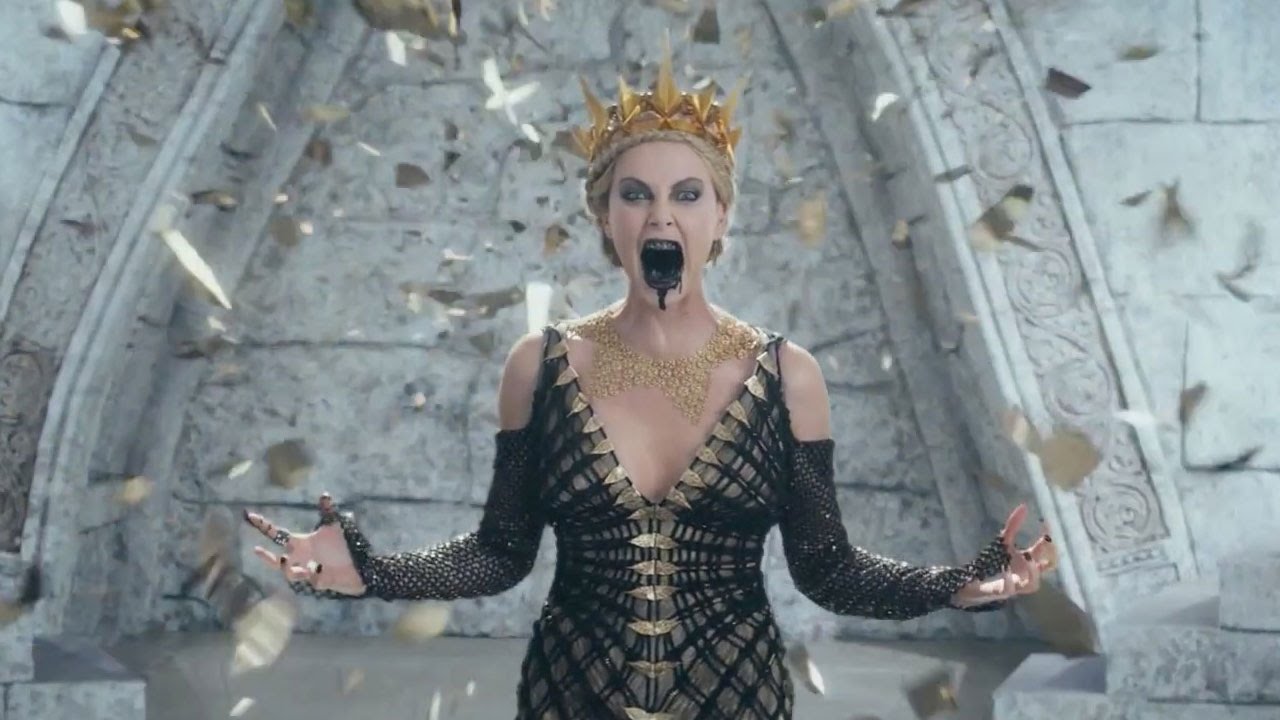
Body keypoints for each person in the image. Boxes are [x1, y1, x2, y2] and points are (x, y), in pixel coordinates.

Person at [242, 42, 1056, 720]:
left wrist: (954, 585)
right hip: (570, 695)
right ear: (606, 218)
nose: (662, 216)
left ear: (721, 217)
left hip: (737, 698)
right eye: (636, 194)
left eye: (687, 194)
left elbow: (827, 568)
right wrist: (375, 571)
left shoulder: (788, 376)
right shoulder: (539, 366)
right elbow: (499, 553)